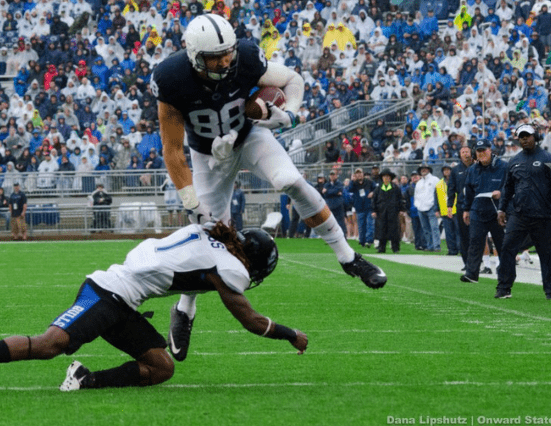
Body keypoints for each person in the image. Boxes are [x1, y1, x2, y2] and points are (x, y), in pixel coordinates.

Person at [153, 14, 386, 361]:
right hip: (206, 156)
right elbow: (172, 150)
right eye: (215, 57)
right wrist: (190, 201)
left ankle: (348, 257)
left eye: (228, 53)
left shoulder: (245, 56)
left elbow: (292, 80)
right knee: (207, 231)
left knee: (289, 180)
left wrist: (288, 114)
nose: (226, 61)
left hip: (249, 137)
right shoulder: (171, 78)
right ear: (194, 57)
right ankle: (185, 309)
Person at [0, 222, 307, 397]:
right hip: (108, 292)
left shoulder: (210, 234)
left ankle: (85, 380)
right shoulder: (229, 267)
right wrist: (291, 334)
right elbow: (250, 320)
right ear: (252, 262)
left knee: (162, 367)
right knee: (50, 344)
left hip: (125, 300)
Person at [495, 124, 551, 299]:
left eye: (527, 136)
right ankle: (504, 288)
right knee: (507, 249)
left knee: (547, 254)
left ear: (536, 137)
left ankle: (550, 290)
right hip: (519, 214)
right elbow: (508, 187)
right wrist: (501, 209)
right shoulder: (514, 160)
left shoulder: (547, 158)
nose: (524, 139)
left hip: (543, 215)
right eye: (521, 137)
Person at [460, 140, 508, 284]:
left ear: (490, 150)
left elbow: (510, 185)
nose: (481, 154)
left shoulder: (503, 167)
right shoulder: (472, 170)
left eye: (484, 150)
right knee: (475, 241)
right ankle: (471, 273)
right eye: (478, 151)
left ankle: (505, 274)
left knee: (502, 244)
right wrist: (466, 209)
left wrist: (501, 193)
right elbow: (468, 191)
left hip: (497, 211)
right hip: (478, 210)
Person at [447, 146, 473, 270]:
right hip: (462, 206)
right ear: (460, 154)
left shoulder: (477, 166)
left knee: (477, 235)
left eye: (467, 151)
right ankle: (467, 262)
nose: (465, 154)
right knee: (464, 235)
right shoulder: (456, 170)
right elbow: (451, 189)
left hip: (476, 206)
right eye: (463, 152)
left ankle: (478, 261)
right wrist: (449, 206)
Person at [371, 169, 405, 253]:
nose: (386, 178)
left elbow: (400, 199)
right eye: (384, 176)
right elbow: (373, 200)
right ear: (382, 178)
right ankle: (381, 248)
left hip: (393, 212)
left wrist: (401, 209)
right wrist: (373, 211)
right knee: (381, 230)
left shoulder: (395, 188)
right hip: (381, 212)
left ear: (390, 178)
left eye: (388, 176)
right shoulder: (378, 188)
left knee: (394, 230)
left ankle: (395, 248)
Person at [414, 164, 441, 252]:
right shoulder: (419, 182)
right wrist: (417, 205)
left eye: (425, 169)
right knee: (425, 229)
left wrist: (437, 207)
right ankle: (430, 246)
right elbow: (416, 195)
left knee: (434, 228)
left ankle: (437, 246)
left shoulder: (435, 179)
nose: (423, 170)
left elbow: (439, 194)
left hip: (431, 207)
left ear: (429, 170)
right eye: (422, 169)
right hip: (421, 208)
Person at [347, 168, 376, 248]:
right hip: (359, 207)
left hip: (369, 206)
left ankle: (369, 240)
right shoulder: (354, 183)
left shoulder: (369, 182)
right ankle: (362, 241)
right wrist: (352, 181)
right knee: (361, 225)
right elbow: (349, 190)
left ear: (363, 174)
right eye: (357, 173)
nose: (359, 175)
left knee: (370, 224)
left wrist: (372, 193)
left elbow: (376, 189)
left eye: (360, 173)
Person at [437, 164, 459, 256]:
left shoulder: (456, 180)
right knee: (449, 233)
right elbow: (436, 197)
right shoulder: (439, 184)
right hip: (444, 211)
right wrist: (437, 209)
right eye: (444, 170)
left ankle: (461, 249)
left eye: (448, 170)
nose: (446, 172)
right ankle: (452, 250)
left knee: (458, 231)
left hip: (455, 210)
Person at [322, 169, 346, 235]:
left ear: (336, 176)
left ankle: (343, 236)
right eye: (331, 175)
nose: (332, 176)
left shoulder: (339, 183)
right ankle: (332, 237)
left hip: (338, 205)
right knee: (330, 223)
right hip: (330, 206)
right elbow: (325, 193)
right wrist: (335, 192)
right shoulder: (326, 184)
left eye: (334, 175)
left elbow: (337, 190)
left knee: (340, 222)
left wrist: (328, 191)